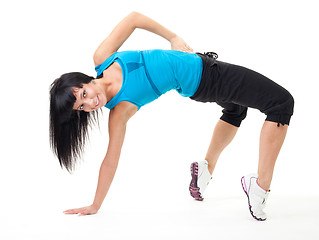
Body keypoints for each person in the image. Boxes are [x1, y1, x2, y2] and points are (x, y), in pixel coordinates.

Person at [49, 12, 294, 221]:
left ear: (84, 81)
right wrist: (95, 205)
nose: (90, 103)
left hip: (203, 70)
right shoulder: (120, 110)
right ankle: (260, 187)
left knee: (235, 110)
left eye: (83, 94)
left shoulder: (103, 58)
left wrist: (173, 37)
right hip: (208, 78)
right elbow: (110, 160)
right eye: (81, 107)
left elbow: (133, 18)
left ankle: (205, 170)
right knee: (281, 103)